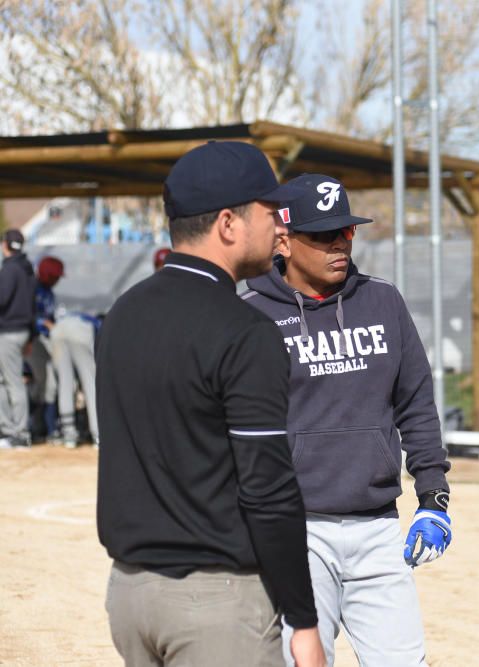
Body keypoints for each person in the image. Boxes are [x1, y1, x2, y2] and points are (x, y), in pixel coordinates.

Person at [96, 141, 325, 667]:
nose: (282, 227)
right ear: (229, 223)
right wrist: (304, 620)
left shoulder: (121, 315)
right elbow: (268, 490)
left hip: (130, 595)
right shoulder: (246, 332)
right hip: (216, 605)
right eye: (271, 212)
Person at [242, 173, 452, 667]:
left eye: (347, 231)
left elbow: (416, 402)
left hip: (378, 528)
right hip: (297, 531)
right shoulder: (250, 315)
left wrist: (434, 498)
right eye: (323, 235)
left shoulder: (383, 301)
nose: (339, 243)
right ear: (285, 240)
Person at [0, 229, 35, 449]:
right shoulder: (28, 269)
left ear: (5, 245)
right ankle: (10, 429)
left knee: (11, 383)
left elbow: (1, 299)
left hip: (8, 332)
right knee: (7, 381)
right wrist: (32, 335)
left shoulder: (10, 269)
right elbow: (32, 305)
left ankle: (18, 433)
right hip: (22, 331)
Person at [50, 311, 101, 448]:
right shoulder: (98, 323)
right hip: (80, 331)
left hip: (57, 329)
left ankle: (68, 435)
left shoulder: (77, 315)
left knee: (65, 384)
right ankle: (98, 435)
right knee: (91, 383)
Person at [28, 255, 63, 441]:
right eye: (55, 276)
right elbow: (30, 315)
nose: (57, 280)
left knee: (50, 384)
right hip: (34, 341)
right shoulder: (33, 289)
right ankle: (34, 424)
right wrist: (45, 323)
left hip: (48, 341)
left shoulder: (49, 292)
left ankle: (47, 428)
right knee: (43, 382)